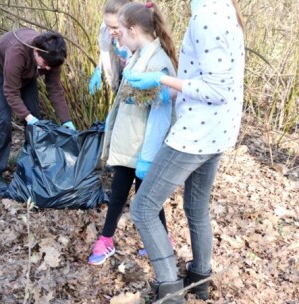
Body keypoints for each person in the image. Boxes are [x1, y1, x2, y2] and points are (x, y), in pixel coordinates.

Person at [123, 0, 245, 302]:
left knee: (143, 208)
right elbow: (211, 78)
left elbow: (217, 91)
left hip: (197, 134)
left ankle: (170, 290)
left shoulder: (207, 16)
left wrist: (161, 79)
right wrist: (175, 89)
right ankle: (199, 279)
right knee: (195, 206)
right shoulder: (223, 8)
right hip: (218, 131)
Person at [89, 2, 177, 266]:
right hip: (131, 143)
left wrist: (148, 157)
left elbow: (160, 116)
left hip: (141, 149)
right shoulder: (141, 53)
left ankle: (160, 244)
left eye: (120, 31)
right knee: (122, 192)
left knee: (146, 200)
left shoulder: (158, 63)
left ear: (134, 30)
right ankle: (108, 239)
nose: (117, 36)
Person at [0, 28, 76, 194]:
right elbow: (10, 92)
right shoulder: (17, 52)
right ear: (36, 51)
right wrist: (27, 117)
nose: (48, 69)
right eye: (45, 65)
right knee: (3, 119)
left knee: (36, 121)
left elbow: (54, 88)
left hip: (27, 75)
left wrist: (66, 120)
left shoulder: (53, 56)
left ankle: (30, 166)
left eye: (51, 66)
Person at [88, 0, 132, 95]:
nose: (110, 32)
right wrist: (99, 69)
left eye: (115, 27)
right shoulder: (110, 32)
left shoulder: (134, 43)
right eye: (108, 27)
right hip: (120, 75)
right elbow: (106, 50)